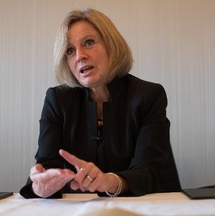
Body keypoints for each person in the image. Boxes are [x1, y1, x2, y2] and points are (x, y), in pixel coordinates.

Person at [20, 8, 181, 199]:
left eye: (88, 43)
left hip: (144, 206)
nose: (79, 56)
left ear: (111, 46)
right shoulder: (57, 100)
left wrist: (109, 181)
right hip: (77, 209)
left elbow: (148, 171)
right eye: (70, 50)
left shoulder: (148, 96)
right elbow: (46, 168)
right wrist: (40, 187)